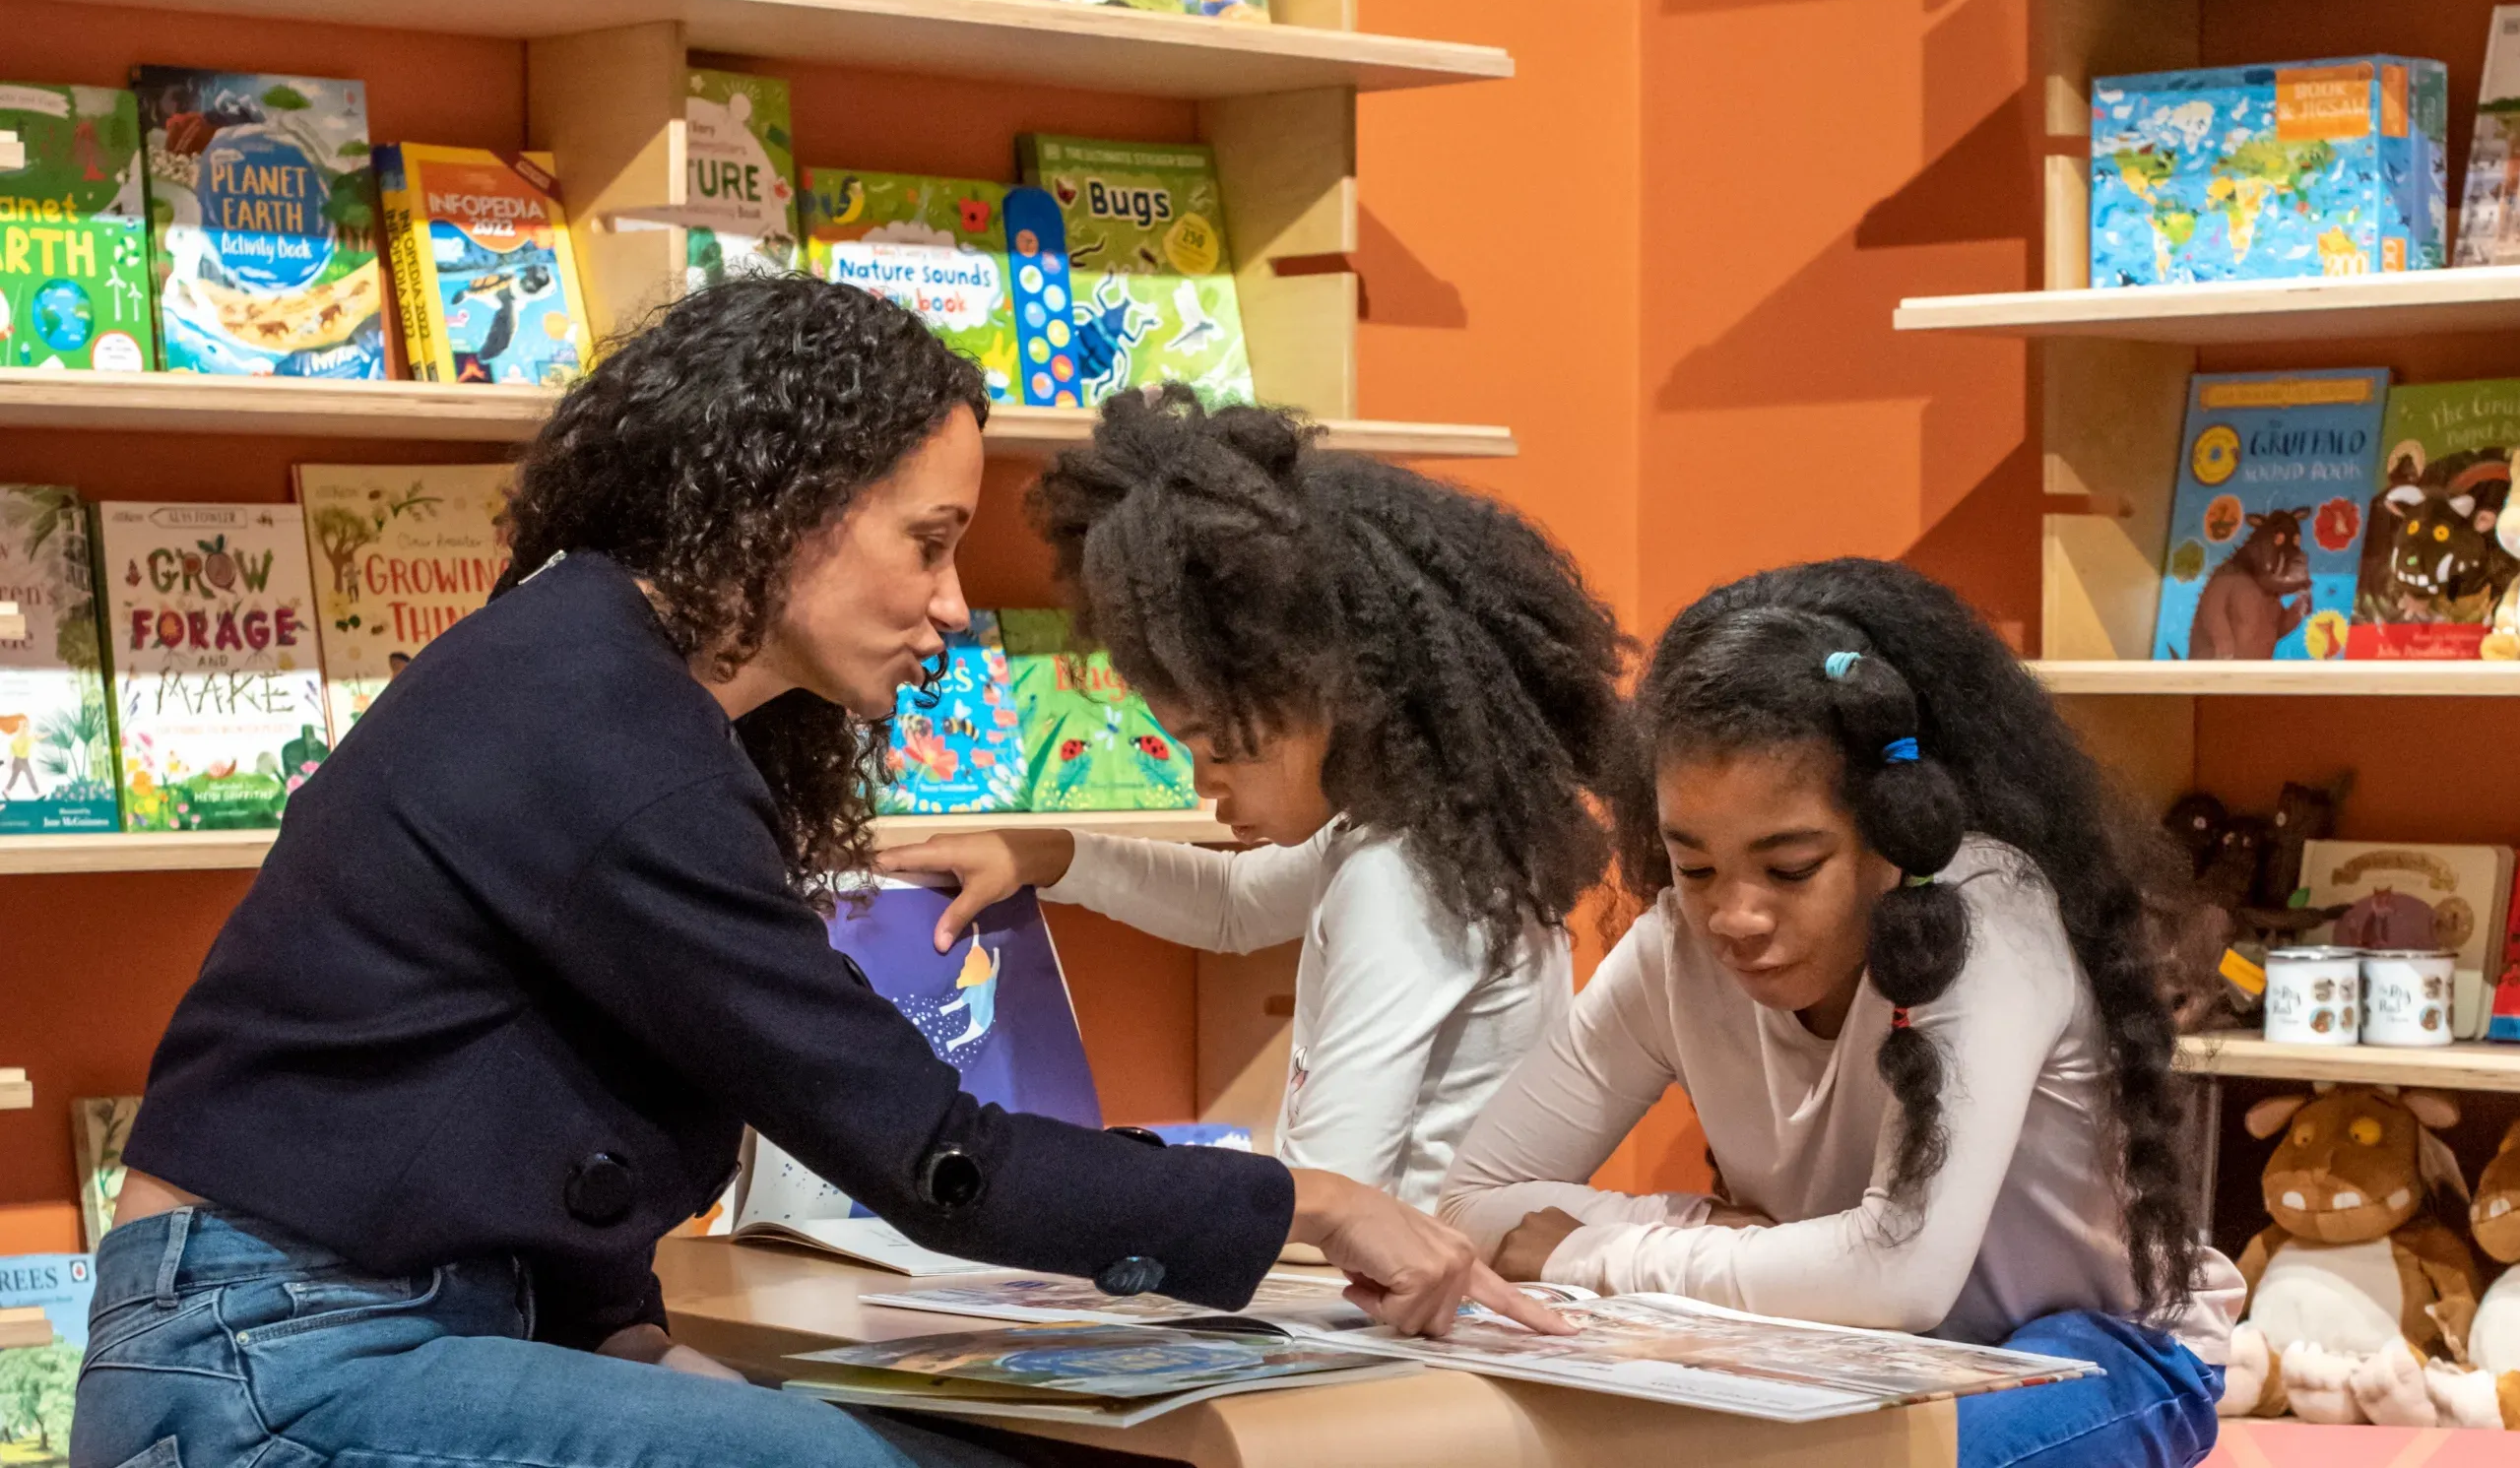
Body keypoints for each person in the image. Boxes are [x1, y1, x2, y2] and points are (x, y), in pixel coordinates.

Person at [71, 281, 1559, 1468]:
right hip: (274, 1360)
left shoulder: (598, 682)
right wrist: (1311, 1200)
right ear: (787, 504)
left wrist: (631, 1333)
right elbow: (937, 1158)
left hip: (347, 1331)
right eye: (929, 542)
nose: (955, 606)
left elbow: (530, 1101)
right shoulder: (602, 727)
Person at [1436, 558, 2247, 1468]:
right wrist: (1703, 1231)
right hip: (1840, 1351)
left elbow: (1901, 1274)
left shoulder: (1984, 911)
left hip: (2096, 1344)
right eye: (1694, 866)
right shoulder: (1673, 948)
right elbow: (1469, 1203)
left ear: (1896, 832)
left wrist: (1600, 1252)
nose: (1734, 917)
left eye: (1791, 868)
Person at [885, 393, 1633, 1214]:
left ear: (1335, 694)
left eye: (1220, 749)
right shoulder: (1415, 839)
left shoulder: (1402, 878)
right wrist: (1043, 854)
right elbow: (1233, 902)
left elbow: (1327, 1191)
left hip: (1396, 1279)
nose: (1204, 787)